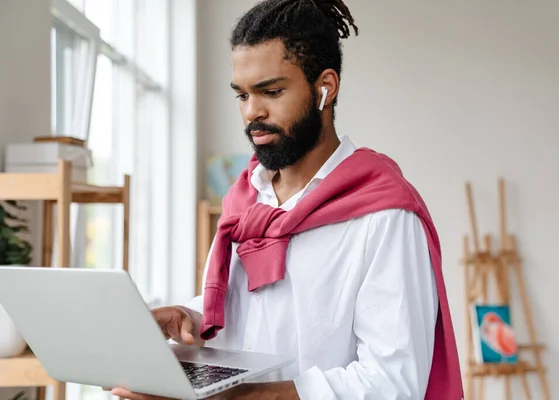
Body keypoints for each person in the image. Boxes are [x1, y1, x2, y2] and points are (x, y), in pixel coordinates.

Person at [111, 0, 463, 399]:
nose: (251, 113)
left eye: (271, 91)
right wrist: (190, 315)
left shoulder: (385, 216)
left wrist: (240, 397)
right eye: (241, 96)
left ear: (324, 88)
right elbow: (258, 314)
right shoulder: (246, 199)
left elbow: (392, 383)